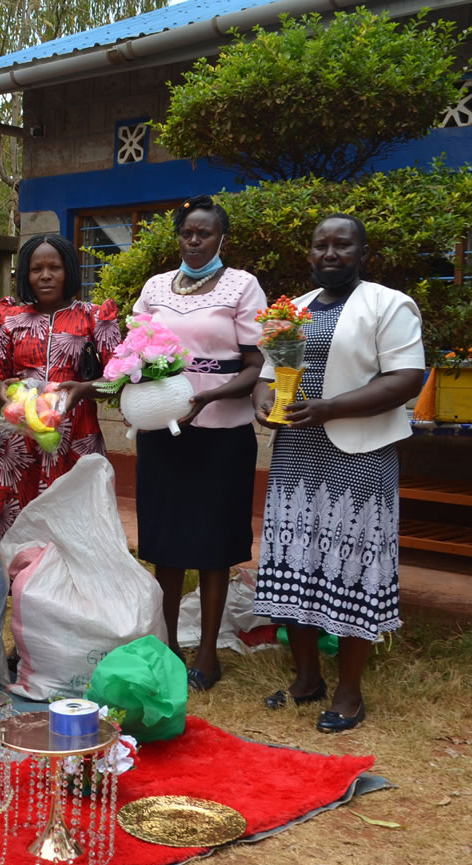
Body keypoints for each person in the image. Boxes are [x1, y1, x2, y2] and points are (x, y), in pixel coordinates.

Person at [251, 214, 425, 733]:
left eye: (342, 245)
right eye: (320, 245)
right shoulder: (292, 310)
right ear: (310, 254)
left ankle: (350, 692)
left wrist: (328, 408)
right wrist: (264, 402)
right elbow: (265, 373)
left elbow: (406, 379)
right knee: (296, 565)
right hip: (297, 457)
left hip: (360, 457)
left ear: (362, 252)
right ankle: (307, 678)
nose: (330, 253)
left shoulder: (388, 304)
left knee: (351, 570)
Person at [132, 196, 266, 690]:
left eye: (204, 233)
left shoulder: (242, 286)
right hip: (163, 429)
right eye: (187, 232)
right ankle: (167, 647)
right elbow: (135, 349)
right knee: (165, 542)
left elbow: (255, 364)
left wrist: (208, 400)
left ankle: (207, 654)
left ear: (220, 239)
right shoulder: (155, 287)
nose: (193, 240)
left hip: (222, 433)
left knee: (213, 544)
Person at [0, 235, 121, 537]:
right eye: (36, 269)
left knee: (77, 529)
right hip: (19, 443)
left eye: (54, 267)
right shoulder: (12, 320)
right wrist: (1, 390)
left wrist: (84, 390)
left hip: (77, 439)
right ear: (26, 275)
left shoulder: (95, 317)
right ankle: (14, 581)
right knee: (15, 527)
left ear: (68, 270)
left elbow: (119, 381)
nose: (45, 275)